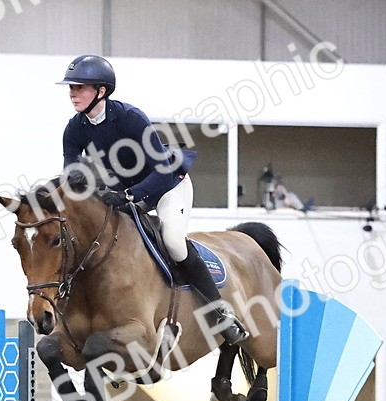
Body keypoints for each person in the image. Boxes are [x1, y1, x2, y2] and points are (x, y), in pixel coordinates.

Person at [58, 54, 247, 345]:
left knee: (172, 240)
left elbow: (161, 171)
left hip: (168, 186)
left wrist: (128, 195)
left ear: (101, 91)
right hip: (126, 191)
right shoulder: (74, 128)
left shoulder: (130, 118)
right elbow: (70, 169)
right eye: (71, 88)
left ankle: (221, 313)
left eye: (79, 87)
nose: (72, 93)